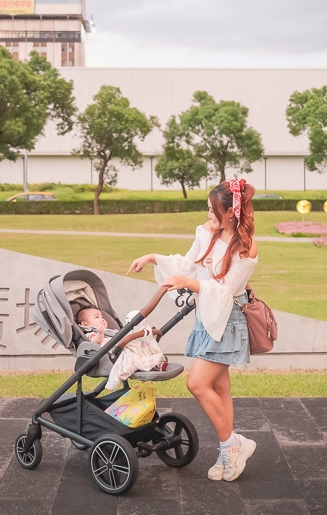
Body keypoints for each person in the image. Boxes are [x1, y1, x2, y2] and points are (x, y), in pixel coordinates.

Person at [128, 179, 259, 482]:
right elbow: (187, 264)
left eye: (214, 211)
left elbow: (227, 290)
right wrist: (153, 257)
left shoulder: (246, 247)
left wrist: (189, 284)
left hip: (227, 320)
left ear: (231, 213)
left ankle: (232, 445)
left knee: (197, 383)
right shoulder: (206, 231)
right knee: (220, 387)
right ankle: (230, 452)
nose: (209, 215)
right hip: (206, 318)